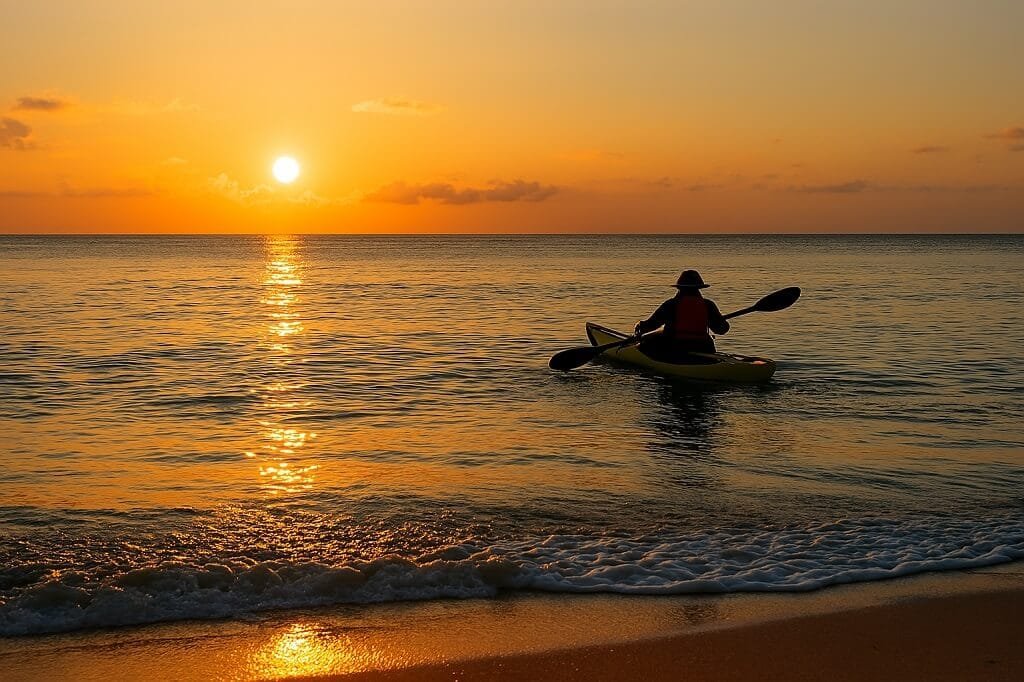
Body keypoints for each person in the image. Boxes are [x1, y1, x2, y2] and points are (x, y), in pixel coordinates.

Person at [633, 269, 729, 361]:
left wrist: (640, 325)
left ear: (679, 288)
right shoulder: (708, 305)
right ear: (699, 288)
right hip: (703, 347)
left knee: (645, 343)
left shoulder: (671, 304)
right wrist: (721, 321)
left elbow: (651, 325)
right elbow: (721, 330)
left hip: (676, 347)